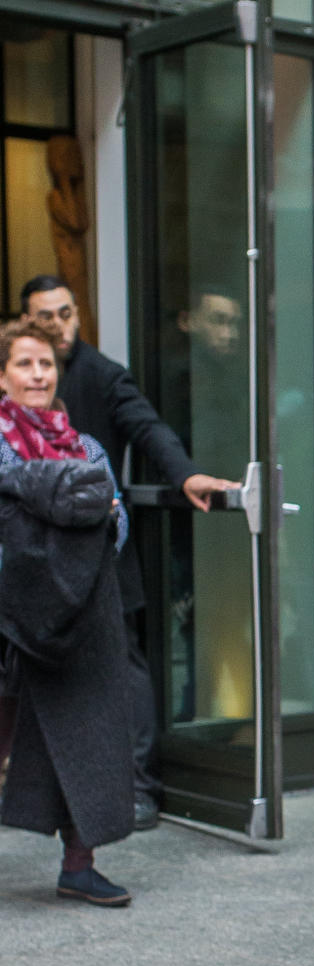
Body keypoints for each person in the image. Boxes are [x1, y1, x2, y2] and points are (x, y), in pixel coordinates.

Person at [20, 275, 238, 830]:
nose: (58, 326)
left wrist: (185, 475)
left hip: (100, 556)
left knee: (125, 667)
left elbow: (148, 428)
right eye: (45, 317)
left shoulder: (102, 375)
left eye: (66, 313)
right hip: (35, 565)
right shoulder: (15, 397)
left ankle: (140, 787)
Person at [0, 320, 133, 905]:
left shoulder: (87, 446)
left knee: (86, 738)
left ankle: (79, 864)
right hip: (7, 621)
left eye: (46, 365)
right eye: (25, 364)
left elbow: (117, 522)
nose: (38, 374)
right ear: (3, 375)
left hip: (77, 620)